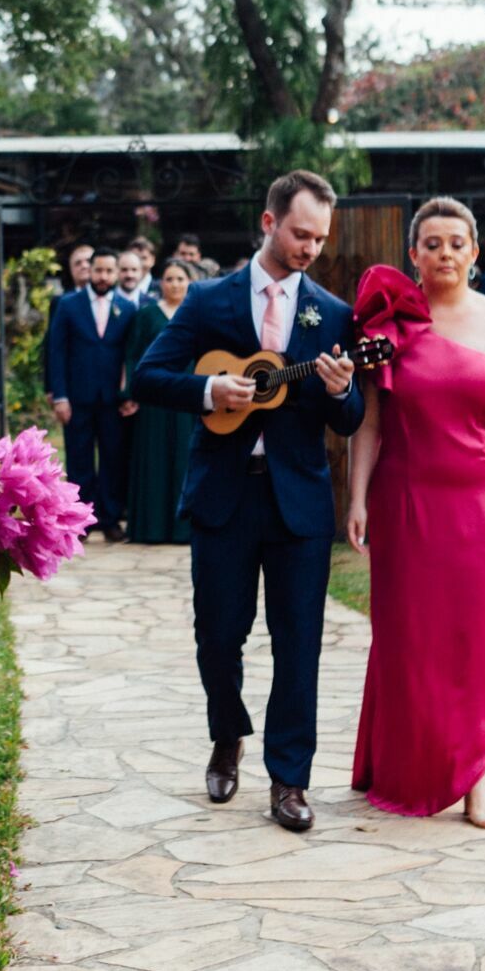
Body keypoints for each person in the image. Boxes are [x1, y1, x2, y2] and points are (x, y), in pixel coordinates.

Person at [134, 172, 366, 833]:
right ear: (268, 223)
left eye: (320, 238)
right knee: (218, 635)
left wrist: (344, 388)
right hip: (223, 497)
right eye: (300, 233)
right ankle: (227, 735)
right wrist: (210, 394)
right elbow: (149, 376)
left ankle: (290, 780)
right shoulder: (207, 301)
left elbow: (347, 420)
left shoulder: (334, 314)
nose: (310, 248)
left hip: (299, 503)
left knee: (300, 645)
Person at [346, 196, 485, 830]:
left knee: (477, 639)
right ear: (412, 254)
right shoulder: (386, 328)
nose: (444, 253)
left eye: (456, 243)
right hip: (407, 499)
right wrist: (356, 498)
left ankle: (476, 777)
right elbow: (370, 422)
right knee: (409, 636)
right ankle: (406, 762)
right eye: (431, 243)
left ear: (475, 251)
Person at [47, 247, 135, 543]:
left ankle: (110, 519)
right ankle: (80, 521)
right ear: (90, 270)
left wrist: (129, 393)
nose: (103, 276)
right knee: (79, 460)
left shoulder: (127, 308)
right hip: (77, 397)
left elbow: (131, 356)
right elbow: (56, 352)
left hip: (112, 399)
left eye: (109, 271)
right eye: (98, 270)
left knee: (113, 458)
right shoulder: (68, 305)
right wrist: (60, 396)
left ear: (116, 273)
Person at [119, 260, 198, 545]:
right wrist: (129, 393)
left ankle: (183, 529)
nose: (174, 284)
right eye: (169, 278)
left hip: (188, 395)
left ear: (189, 282)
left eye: (180, 278)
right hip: (153, 397)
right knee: (153, 460)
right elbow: (132, 355)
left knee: (184, 459)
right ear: (160, 283)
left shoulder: (196, 314)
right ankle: (150, 528)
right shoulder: (147, 315)